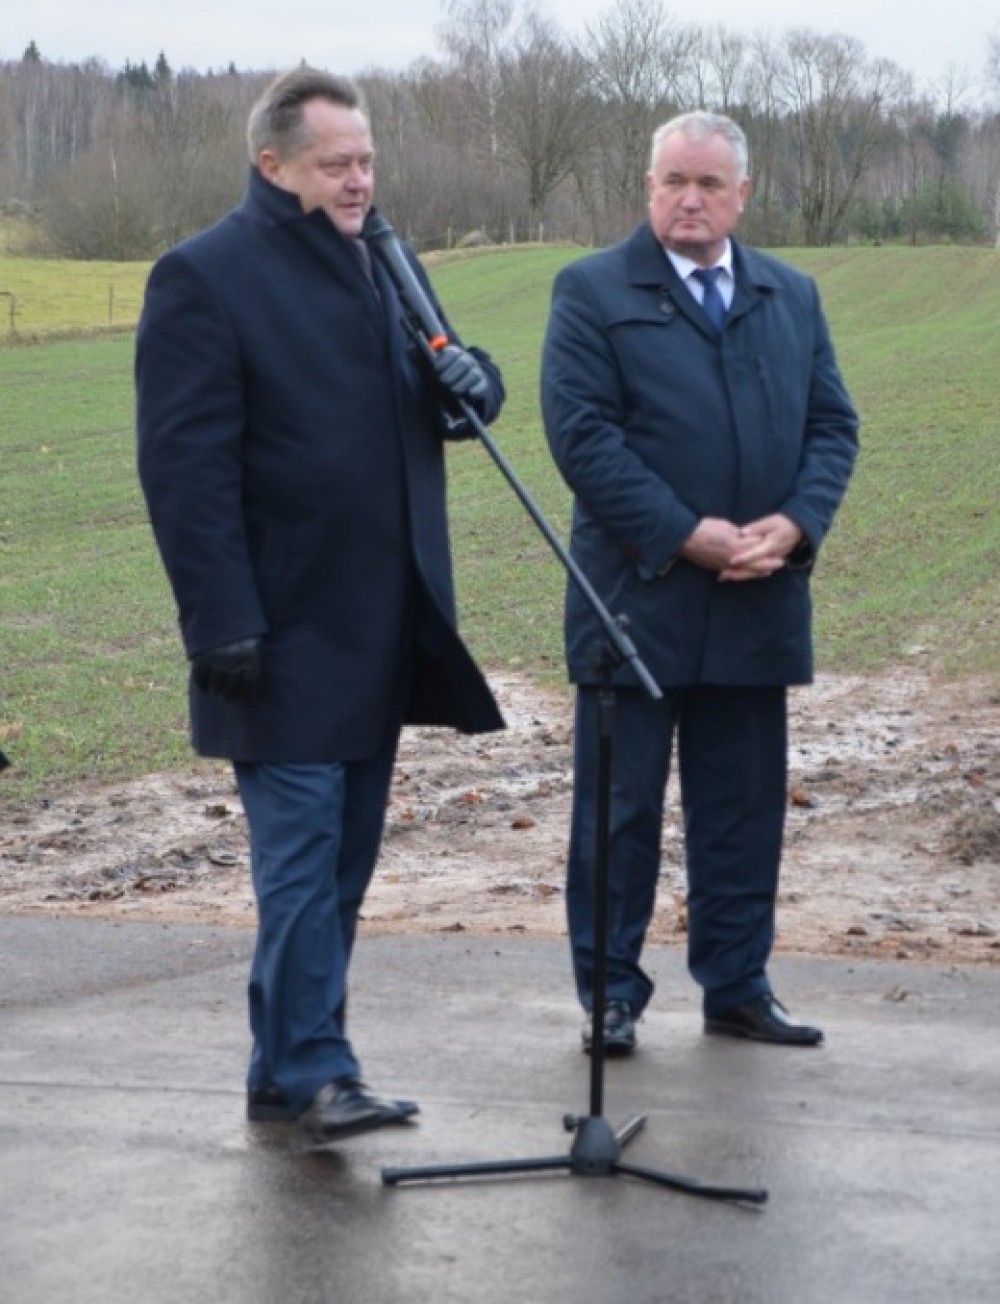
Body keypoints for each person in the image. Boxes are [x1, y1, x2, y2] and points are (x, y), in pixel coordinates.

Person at [136, 67, 505, 1140]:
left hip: (385, 625)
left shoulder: (386, 257)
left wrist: (473, 383)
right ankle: (317, 1067)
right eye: (336, 163)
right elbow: (184, 471)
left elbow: (441, 374)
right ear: (273, 164)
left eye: (366, 160)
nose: (358, 180)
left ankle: (282, 1067)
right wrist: (220, 622)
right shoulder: (205, 276)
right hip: (277, 634)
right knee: (299, 866)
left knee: (340, 865)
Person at [540, 111, 859, 1053]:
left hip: (760, 599)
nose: (690, 199)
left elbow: (832, 426)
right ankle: (611, 996)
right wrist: (685, 535)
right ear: (648, 188)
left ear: (741, 195)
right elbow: (582, 437)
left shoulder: (790, 295)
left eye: (709, 184)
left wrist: (795, 524)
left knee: (743, 813)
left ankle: (738, 985)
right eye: (674, 181)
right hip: (635, 605)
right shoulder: (592, 291)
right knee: (619, 814)